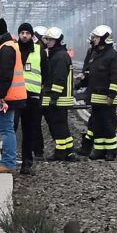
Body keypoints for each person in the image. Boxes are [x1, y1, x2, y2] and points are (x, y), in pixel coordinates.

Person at [82, 25, 117, 161]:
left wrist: (111, 95)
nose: (93, 39)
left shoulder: (113, 56)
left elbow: (116, 77)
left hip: (107, 97)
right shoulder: (97, 55)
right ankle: (99, 150)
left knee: (108, 125)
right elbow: (91, 73)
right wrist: (83, 78)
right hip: (96, 97)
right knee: (97, 124)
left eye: (96, 37)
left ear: (104, 38)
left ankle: (111, 151)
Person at [41, 28, 77, 161]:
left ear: (57, 40)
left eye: (51, 39)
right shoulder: (56, 54)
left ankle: (60, 153)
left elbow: (59, 78)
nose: (48, 42)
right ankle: (69, 151)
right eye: (47, 39)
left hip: (60, 98)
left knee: (58, 126)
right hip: (59, 97)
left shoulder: (60, 56)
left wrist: (54, 97)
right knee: (62, 125)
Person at [15, 23, 45, 172]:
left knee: (28, 131)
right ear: (19, 34)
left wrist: (42, 94)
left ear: (32, 35)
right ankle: (8, 160)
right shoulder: (13, 50)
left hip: (32, 97)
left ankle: (27, 163)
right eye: (22, 33)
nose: (25, 35)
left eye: (27, 33)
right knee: (10, 130)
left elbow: (46, 73)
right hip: (14, 97)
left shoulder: (40, 51)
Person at [0, 19, 24, 174]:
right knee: (6, 128)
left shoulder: (6, 48)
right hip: (10, 96)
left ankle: (8, 162)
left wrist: (0, 96)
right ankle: (7, 161)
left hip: (8, 97)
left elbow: (5, 75)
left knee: (6, 129)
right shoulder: (9, 45)